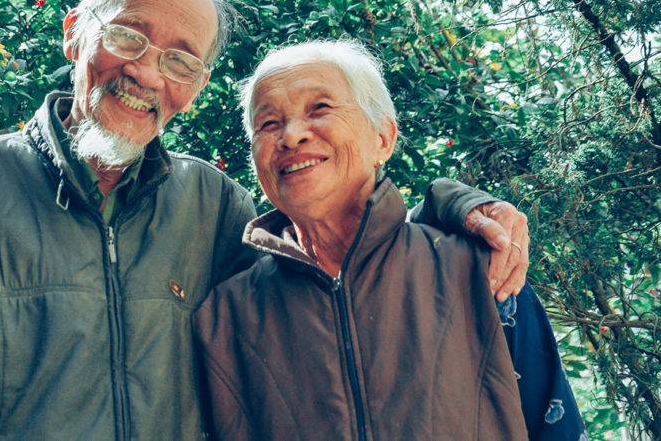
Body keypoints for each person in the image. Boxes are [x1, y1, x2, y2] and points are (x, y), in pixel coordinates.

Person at [0, 0, 532, 439]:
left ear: (194, 86)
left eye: (180, 59)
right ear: (76, 35)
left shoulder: (214, 207)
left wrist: (452, 205)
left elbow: (348, 259)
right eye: (128, 34)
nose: (146, 72)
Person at [193, 39, 584, 440]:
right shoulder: (225, 316)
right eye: (269, 123)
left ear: (383, 139)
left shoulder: (479, 270)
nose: (291, 136)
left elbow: (557, 426)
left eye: (320, 109)